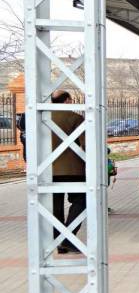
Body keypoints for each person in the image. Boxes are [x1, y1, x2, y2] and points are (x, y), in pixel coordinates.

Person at [50, 90, 85, 254]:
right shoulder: (76, 118)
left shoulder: (42, 118)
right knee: (81, 201)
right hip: (73, 169)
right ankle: (67, 238)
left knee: (55, 206)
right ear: (66, 101)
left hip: (47, 169)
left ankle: (59, 240)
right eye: (70, 100)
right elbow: (85, 146)